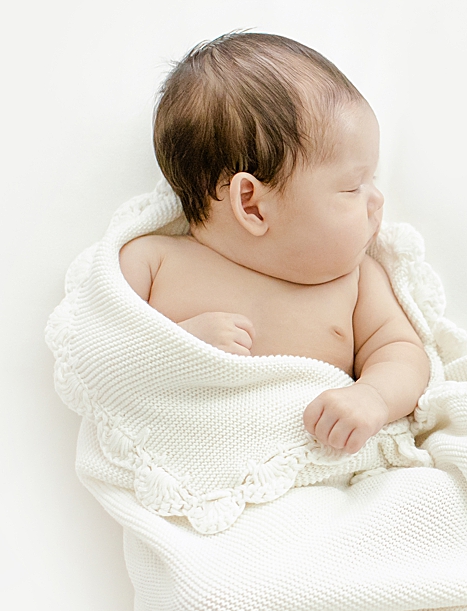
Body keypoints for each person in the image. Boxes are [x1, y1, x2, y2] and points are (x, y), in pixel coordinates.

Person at [119, 32, 429, 456]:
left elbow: (403, 354)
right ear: (253, 205)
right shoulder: (152, 262)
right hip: (198, 460)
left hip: (318, 474)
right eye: (353, 186)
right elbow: (98, 351)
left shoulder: (357, 283)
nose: (377, 201)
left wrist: (372, 397)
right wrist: (178, 345)